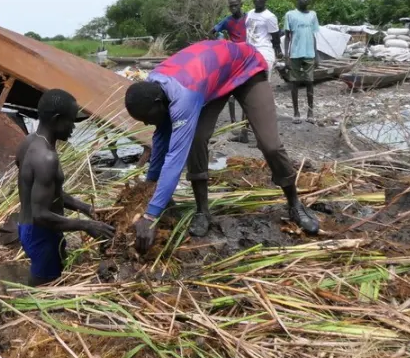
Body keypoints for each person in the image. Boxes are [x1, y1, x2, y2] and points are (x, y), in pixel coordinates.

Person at [123, 39, 320, 253]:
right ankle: (202, 211)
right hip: (215, 79)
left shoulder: (183, 98)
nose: (144, 123)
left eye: (145, 118)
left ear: (157, 104)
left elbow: (175, 159)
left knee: (269, 144)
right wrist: (149, 184)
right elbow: (161, 134)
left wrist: (151, 216)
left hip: (246, 68)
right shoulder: (153, 85)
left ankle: (294, 204)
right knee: (197, 138)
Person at [16, 89, 116, 285]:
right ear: (56, 119)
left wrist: (85, 208)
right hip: (41, 233)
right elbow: (41, 214)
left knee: (54, 273)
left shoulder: (28, 143)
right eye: (71, 121)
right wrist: (85, 225)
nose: (73, 127)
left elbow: (44, 193)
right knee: (42, 292)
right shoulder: (47, 158)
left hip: (27, 227)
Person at [211, 0, 248, 131]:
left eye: (235, 5)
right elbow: (213, 31)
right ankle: (233, 122)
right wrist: (221, 44)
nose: (233, 8)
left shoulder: (248, 19)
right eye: (231, 6)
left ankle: (245, 125)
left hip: (248, 57)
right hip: (234, 58)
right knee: (231, 91)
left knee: (246, 91)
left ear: (240, 4)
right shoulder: (227, 21)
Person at [284, 0, 321, 124]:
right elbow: (287, 37)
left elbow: (313, 35)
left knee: (310, 82)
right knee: (294, 83)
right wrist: (286, 56)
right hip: (295, 54)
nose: (305, 0)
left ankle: (310, 111)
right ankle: (296, 112)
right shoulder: (290, 15)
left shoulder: (313, 15)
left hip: (309, 53)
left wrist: (316, 55)